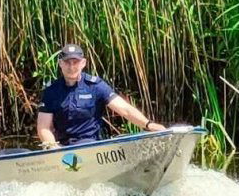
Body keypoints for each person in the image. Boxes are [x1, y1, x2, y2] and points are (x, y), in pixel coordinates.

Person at [37, 43, 166, 148]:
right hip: (62, 148)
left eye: (75, 62)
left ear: (83, 63)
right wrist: (53, 148)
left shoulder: (95, 86)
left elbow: (125, 110)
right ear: (60, 64)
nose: (71, 67)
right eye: (67, 62)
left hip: (90, 145)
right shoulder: (51, 91)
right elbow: (44, 127)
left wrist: (148, 125)